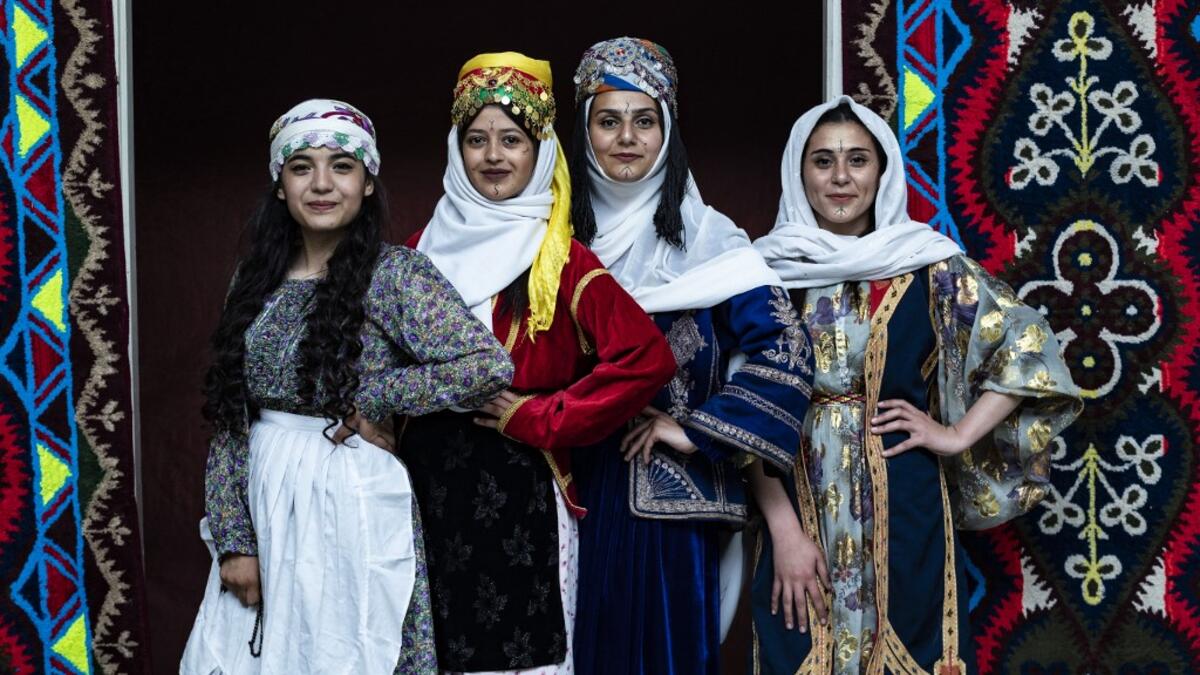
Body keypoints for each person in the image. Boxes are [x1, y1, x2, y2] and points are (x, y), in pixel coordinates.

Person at [748, 95, 1083, 674]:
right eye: (822, 161)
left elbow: (1029, 347)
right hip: (799, 504)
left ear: (883, 171)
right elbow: (742, 403)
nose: (841, 177)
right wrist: (784, 531)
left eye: (858, 159)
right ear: (798, 173)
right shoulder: (762, 275)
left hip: (907, 505)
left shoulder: (928, 266)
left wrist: (955, 434)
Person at [180, 99, 514, 674]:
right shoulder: (253, 280)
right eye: (302, 166)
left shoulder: (395, 275)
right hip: (265, 492)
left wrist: (375, 397)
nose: (321, 184)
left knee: (352, 647)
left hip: (349, 496)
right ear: (280, 185)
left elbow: (485, 366)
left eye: (341, 166)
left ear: (366, 182)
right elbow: (232, 416)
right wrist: (235, 540)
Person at [401, 52, 676, 675]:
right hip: (423, 494)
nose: (494, 156)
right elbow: (380, 369)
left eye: (512, 140)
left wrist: (544, 417)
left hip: (521, 491)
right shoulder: (419, 253)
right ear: (456, 149)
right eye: (477, 140)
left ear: (540, 151)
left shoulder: (563, 259)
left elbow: (646, 359)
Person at [567, 37, 815, 675]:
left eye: (644, 120)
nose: (627, 137)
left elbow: (785, 346)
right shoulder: (547, 236)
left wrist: (696, 427)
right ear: (583, 133)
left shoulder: (712, 241)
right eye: (608, 120)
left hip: (665, 505)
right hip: (559, 489)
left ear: (667, 131)